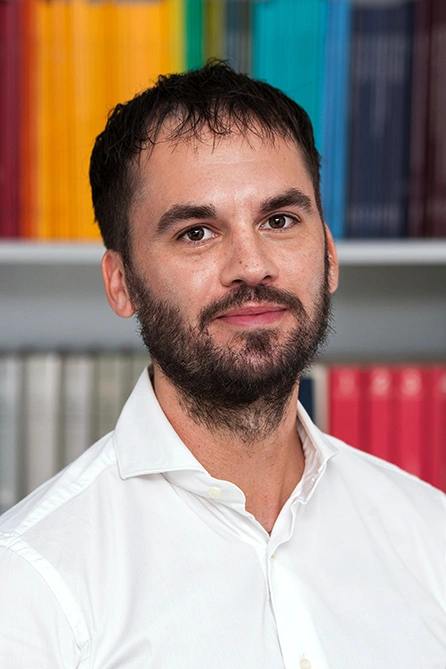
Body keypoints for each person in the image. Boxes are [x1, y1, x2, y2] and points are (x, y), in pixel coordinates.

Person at [0, 62, 445, 668]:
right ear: (121, 281)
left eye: (280, 221)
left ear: (330, 256)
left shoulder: (430, 537)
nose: (251, 265)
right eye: (196, 232)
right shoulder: (30, 582)